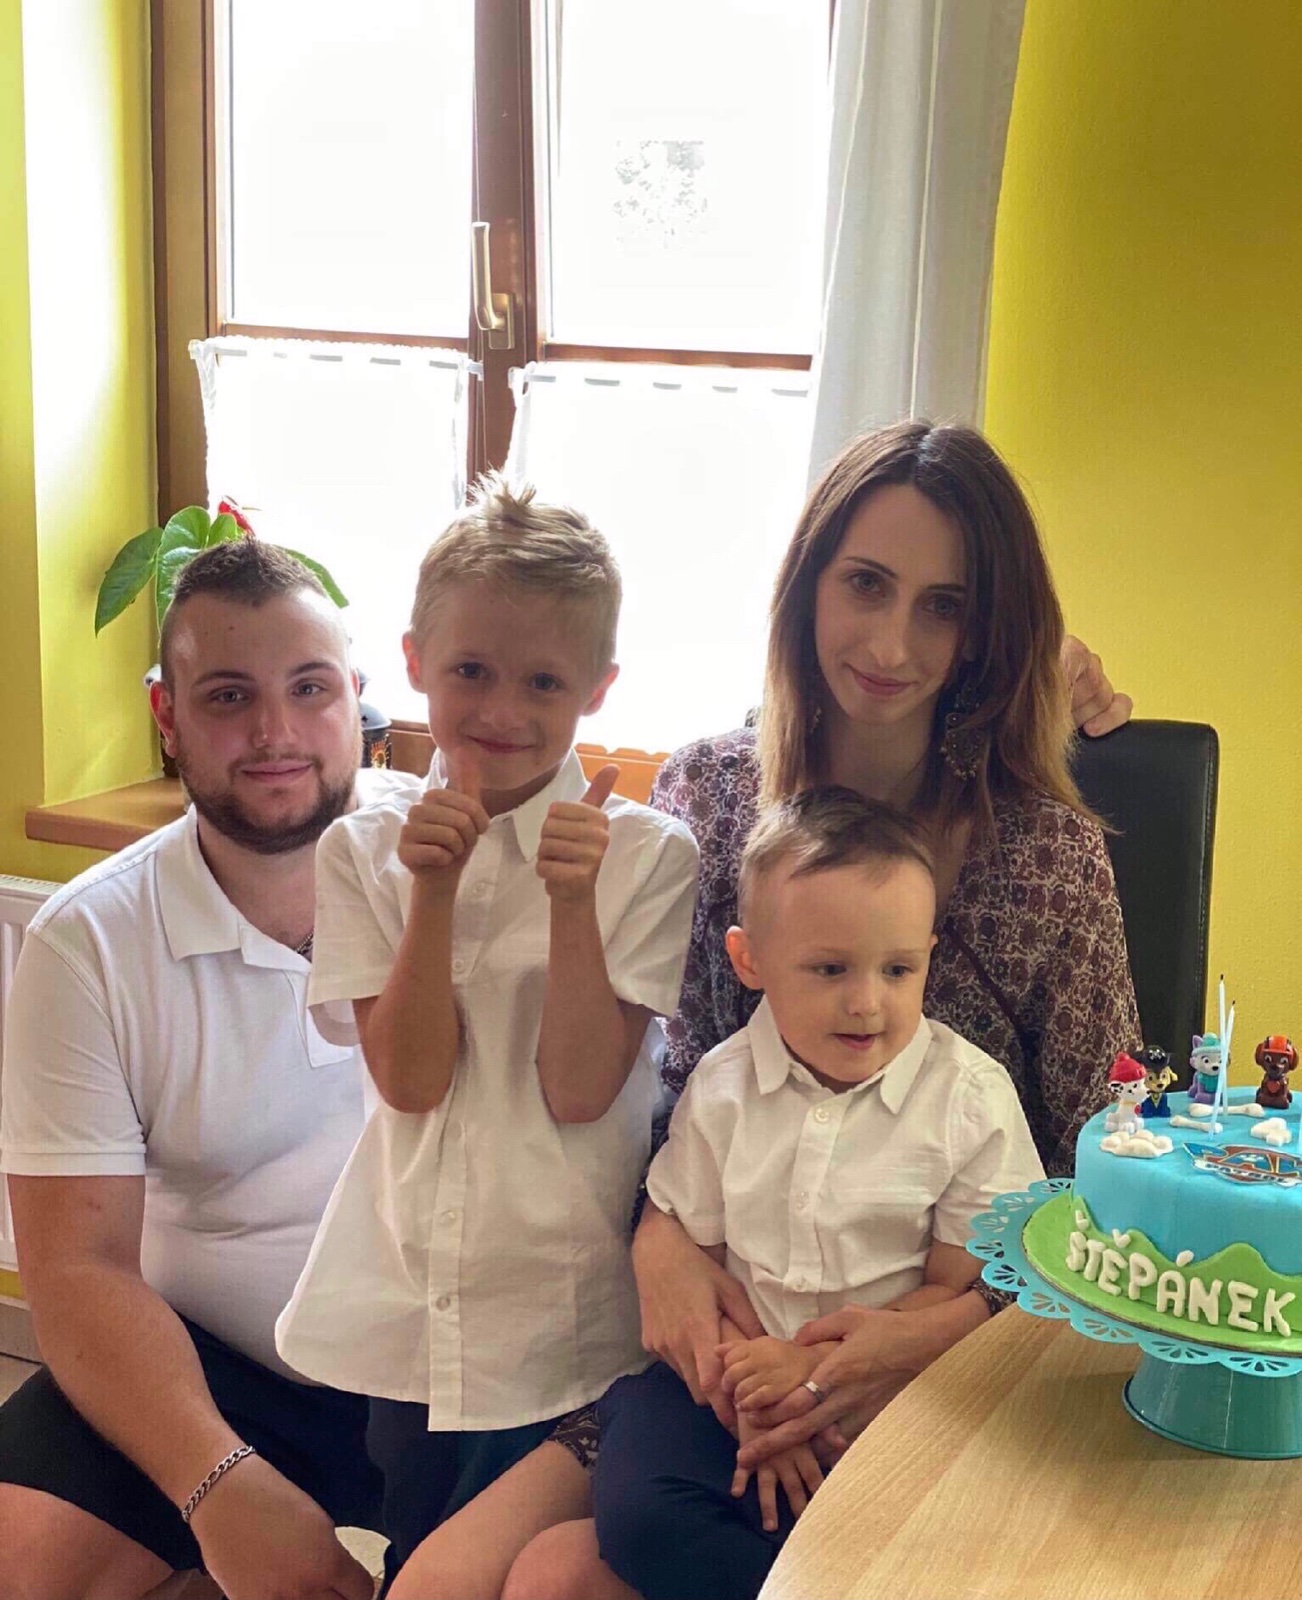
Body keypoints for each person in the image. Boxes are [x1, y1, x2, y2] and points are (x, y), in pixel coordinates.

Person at [501, 418, 1141, 1600]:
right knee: (482, 1577)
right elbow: (676, 1104)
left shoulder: (1047, 853)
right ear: (808, 584)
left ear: (987, 630)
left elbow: (1112, 1176)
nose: (892, 644)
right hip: (722, 1350)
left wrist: (933, 1334)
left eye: (944, 607)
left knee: (562, 1579)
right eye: (866, 584)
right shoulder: (711, 793)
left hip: (963, 1360)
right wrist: (669, 1261)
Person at [272, 476, 700, 1595]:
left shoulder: (647, 854)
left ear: (597, 688)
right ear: (415, 662)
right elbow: (410, 1082)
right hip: (414, 1297)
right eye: (471, 670)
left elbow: (579, 1089)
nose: (503, 709)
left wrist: (571, 904)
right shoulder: (363, 847)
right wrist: (432, 889)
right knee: (415, 1551)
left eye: (544, 681)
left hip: (565, 1309)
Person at [0, 542, 402, 1600]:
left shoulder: (451, 861)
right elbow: (77, 1268)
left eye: (308, 689)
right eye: (229, 696)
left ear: (355, 697)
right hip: (219, 1366)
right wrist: (216, 1481)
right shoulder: (88, 942)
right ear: (166, 715)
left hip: (445, 1369)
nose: (275, 732)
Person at [579, 789, 1044, 1600]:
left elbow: (956, 1288)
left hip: (891, 1393)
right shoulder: (722, 1087)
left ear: (930, 956)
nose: (867, 1002)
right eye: (830, 969)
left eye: (898, 969)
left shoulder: (969, 1097)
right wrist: (757, 1399)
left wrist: (810, 1375)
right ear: (749, 960)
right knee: (638, 1512)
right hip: (735, 1387)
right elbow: (698, 1266)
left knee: (974, 1525)